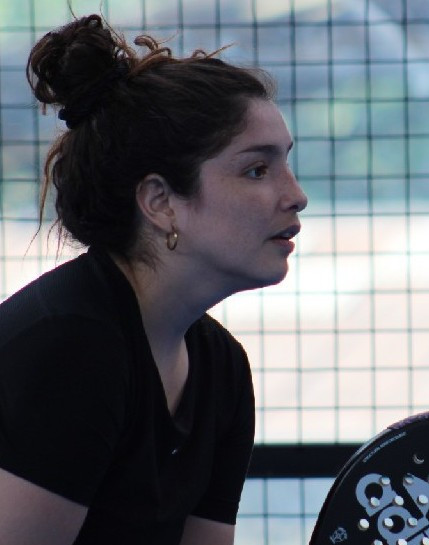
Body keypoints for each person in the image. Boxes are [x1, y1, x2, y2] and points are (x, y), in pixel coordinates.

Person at [0, 13, 307, 545]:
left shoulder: (222, 370)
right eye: (257, 170)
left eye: (285, 164)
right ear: (161, 202)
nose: (296, 195)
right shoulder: (71, 349)